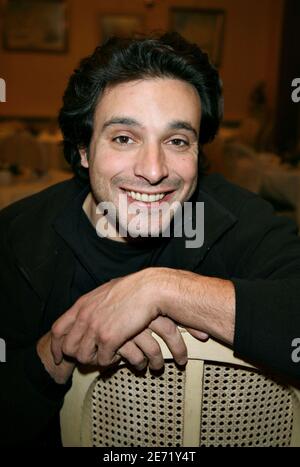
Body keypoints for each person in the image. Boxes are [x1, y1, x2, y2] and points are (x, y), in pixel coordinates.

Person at [1, 32, 300, 447]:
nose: (154, 169)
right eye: (124, 138)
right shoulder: (19, 238)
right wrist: (58, 351)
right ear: (83, 150)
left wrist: (161, 289)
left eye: (177, 141)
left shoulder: (235, 221)